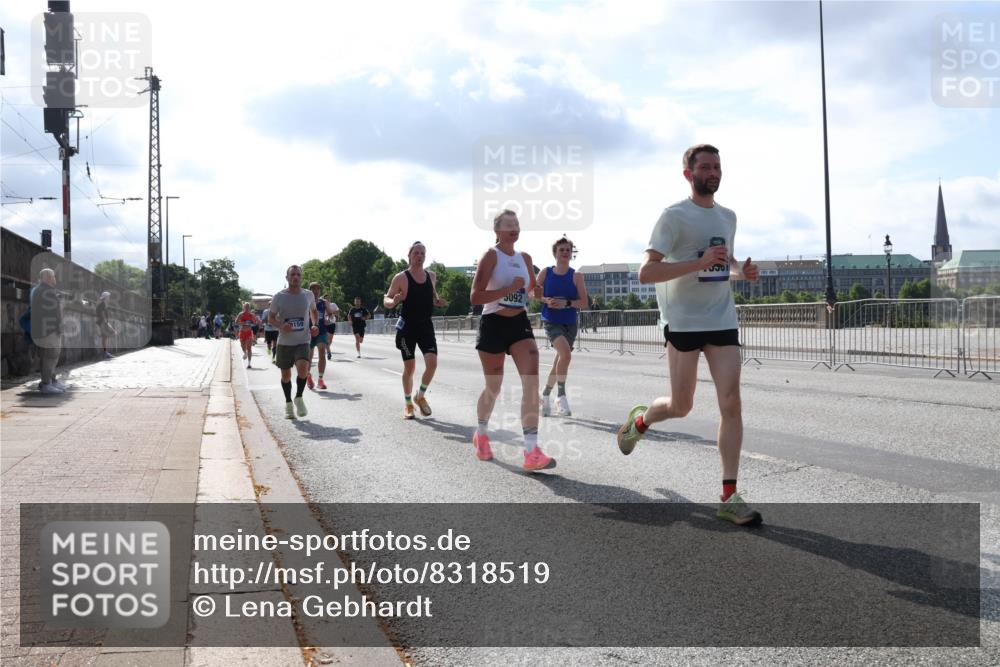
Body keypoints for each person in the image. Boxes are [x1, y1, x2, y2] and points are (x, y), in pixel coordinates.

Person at [615, 144, 761, 526]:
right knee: (682, 406)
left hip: (721, 318)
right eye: (705, 166)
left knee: (731, 402)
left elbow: (722, 263)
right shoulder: (673, 216)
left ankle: (729, 495)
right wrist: (698, 262)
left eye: (717, 166)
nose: (713, 172)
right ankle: (641, 422)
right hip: (682, 322)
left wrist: (739, 272)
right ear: (688, 174)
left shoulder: (728, 217)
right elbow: (646, 273)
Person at [470, 210, 554, 472]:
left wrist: (539, 293)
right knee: (493, 386)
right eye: (508, 225)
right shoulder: (491, 256)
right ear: (497, 230)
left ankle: (531, 450)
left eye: (517, 224)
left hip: (519, 324)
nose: (514, 229)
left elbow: (530, 291)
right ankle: (481, 432)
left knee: (531, 379)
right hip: (493, 323)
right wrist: (508, 289)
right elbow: (475, 296)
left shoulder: (525, 258)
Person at [383, 242, 447, 419]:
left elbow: (432, 298)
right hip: (407, 329)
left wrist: (438, 302)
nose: (420, 256)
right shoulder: (401, 278)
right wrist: (394, 301)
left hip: (425, 326)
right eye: (416, 252)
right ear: (410, 255)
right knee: (410, 368)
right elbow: (386, 299)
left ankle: (420, 396)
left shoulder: (431, 276)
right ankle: (408, 403)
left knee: (432, 363)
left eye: (422, 253)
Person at [536, 236, 588, 417]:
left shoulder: (576, 276)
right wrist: (545, 299)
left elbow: (584, 302)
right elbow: (531, 291)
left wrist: (567, 303)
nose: (565, 253)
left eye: (568, 250)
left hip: (570, 322)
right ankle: (561, 396)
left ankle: (544, 395)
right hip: (551, 320)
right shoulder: (545, 272)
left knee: (560, 361)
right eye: (562, 250)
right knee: (565, 354)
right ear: (555, 253)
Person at [269, 266, 320, 419]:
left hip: (303, 340)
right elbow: (271, 318)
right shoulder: (279, 296)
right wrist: (281, 325)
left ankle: (298, 397)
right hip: (284, 342)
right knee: (286, 376)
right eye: (293, 274)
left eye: (298, 275)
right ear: (287, 277)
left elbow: (314, 311)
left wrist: (315, 324)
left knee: (304, 368)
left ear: (302, 278)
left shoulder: (308, 295)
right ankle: (288, 403)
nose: (295, 277)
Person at [30, 268, 66, 394]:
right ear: (47, 277)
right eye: (53, 276)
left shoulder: (40, 290)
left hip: (44, 329)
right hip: (48, 330)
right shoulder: (46, 291)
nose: (55, 278)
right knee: (50, 356)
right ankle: (46, 384)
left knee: (48, 357)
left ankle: (50, 381)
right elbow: (52, 312)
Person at [305, 282, 331, 390]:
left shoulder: (324, 302)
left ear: (320, 291)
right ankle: (308, 376)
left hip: (321, 331)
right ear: (310, 290)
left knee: (321, 352)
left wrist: (328, 319)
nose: (316, 291)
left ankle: (320, 379)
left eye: (318, 289)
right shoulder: (305, 302)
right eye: (313, 289)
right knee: (309, 357)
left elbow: (330, 314)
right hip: (308, 332)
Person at [236, 303, 259, 368]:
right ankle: (245, 353)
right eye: (245, 307)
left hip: (249, 332)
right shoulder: (241, 314)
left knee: (249, 348)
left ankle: (249, 363)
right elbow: (236, 322)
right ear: (243, 308)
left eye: (248, 307)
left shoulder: (251, 315)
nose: (247, 308)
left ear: (249, 308)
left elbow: (255, 322)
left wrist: (252, 322)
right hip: (242, 332)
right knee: (242, 346)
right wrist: (243, 323)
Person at [96, 291, 117, 359]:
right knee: (105, 337)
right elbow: (102, 316)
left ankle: (105, 353)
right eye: (108, 297)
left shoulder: (103, 304)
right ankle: (105, 353)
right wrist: (109, 326)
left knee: (105, 338)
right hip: (102, 323)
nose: (109, 298)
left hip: (103, 322)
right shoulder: (102, 305)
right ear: (105, 297)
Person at [325, 296, 339, 360]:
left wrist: (330, 313)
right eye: (326, 298)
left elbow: (337, 312)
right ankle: (328, 351)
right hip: (325, 324)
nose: (327, 299)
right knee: (327, 338)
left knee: (330, 339)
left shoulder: (333, 305)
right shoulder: (322, 305)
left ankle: (327, 348)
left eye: (328, 298)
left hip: (332, 323)